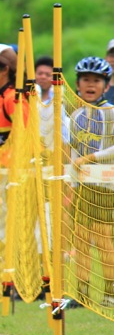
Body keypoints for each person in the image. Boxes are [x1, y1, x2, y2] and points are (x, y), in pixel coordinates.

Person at [68, 56, 114, 306]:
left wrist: (92, 157)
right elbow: (74, 153)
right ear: (77, 83)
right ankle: (81, 293)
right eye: (86, 79)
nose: (90, 84)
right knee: (81, 240)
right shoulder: (76, 117)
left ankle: (109, 293)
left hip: (106, 186)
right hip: (82, 186)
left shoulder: (110, 113)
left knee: (104, 238)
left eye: (96, 80)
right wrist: (71, 183)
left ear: (106, 86)